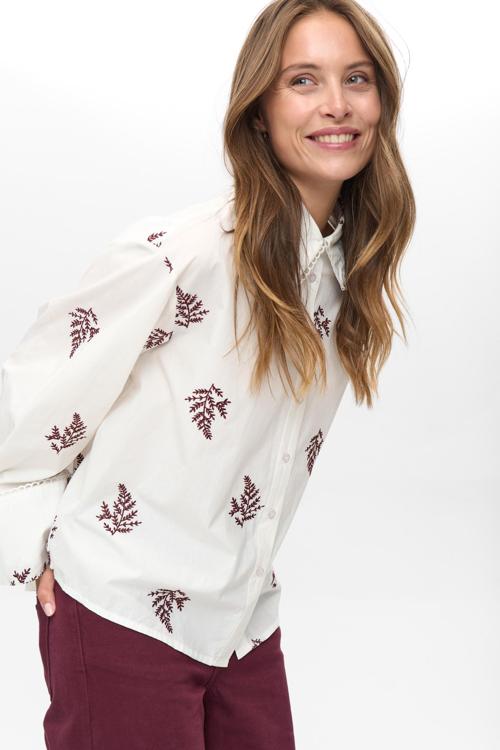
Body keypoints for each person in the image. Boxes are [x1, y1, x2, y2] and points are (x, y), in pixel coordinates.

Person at [0, 1, 416, 748]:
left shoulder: (345, 274)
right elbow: (25, 405)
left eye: (357, 78)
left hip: (240, 624)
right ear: (258, 110)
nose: (337, 104)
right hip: (122, 613)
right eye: (303, 80)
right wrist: (36, 552)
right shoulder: (182, 254)